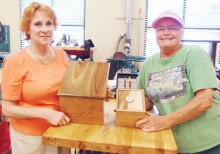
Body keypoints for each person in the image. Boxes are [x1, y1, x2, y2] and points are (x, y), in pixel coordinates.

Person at [135, 9, 220, 154]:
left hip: (209, 142)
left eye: (172, 28)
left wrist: (164, 121)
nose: (166, 32)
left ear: (181, 32)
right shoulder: (148, 63)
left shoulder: (194, 54)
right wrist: (127, 104)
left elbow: (205, 100)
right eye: (161, 29)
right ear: (155, 34)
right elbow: (147, 99)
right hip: (173, 143)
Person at [1, 2, 71, 154]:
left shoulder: (61, 55)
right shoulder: (14, 62)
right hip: (29, 138)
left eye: (49, 23)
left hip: (60, 130)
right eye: (38, 24)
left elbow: (68, 89)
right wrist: (45, 113)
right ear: (27, 28)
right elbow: (7, 109)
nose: (45, 29)